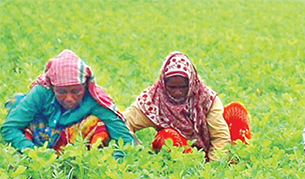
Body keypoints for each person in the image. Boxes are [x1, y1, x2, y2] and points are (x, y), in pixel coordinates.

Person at [123, 52, 251, 161]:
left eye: (183, 87)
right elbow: (124, 122)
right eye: (172, 87)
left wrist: (214, 168)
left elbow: (220, 137)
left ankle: (236, 163)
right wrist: (136, 148)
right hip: (183, 156)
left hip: (212, 152)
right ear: (163, 84)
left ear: (191, 82)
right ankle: (187, 166)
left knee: (236, 112)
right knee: (167, 136)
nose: (178, 92)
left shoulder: (206, 98)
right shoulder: (154, 99)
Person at [1, 50, 136, 152]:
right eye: (62, 92)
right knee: (18, 109)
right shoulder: (41, 92)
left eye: (76, 91)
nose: (69, 98)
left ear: (84, 86)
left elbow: (125, 139)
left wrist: (115, 160)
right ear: (53, 87)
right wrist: (33, 152)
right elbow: (9, 128)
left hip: (71, 140)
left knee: (97, 125)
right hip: (38, 131)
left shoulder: (93, 99)